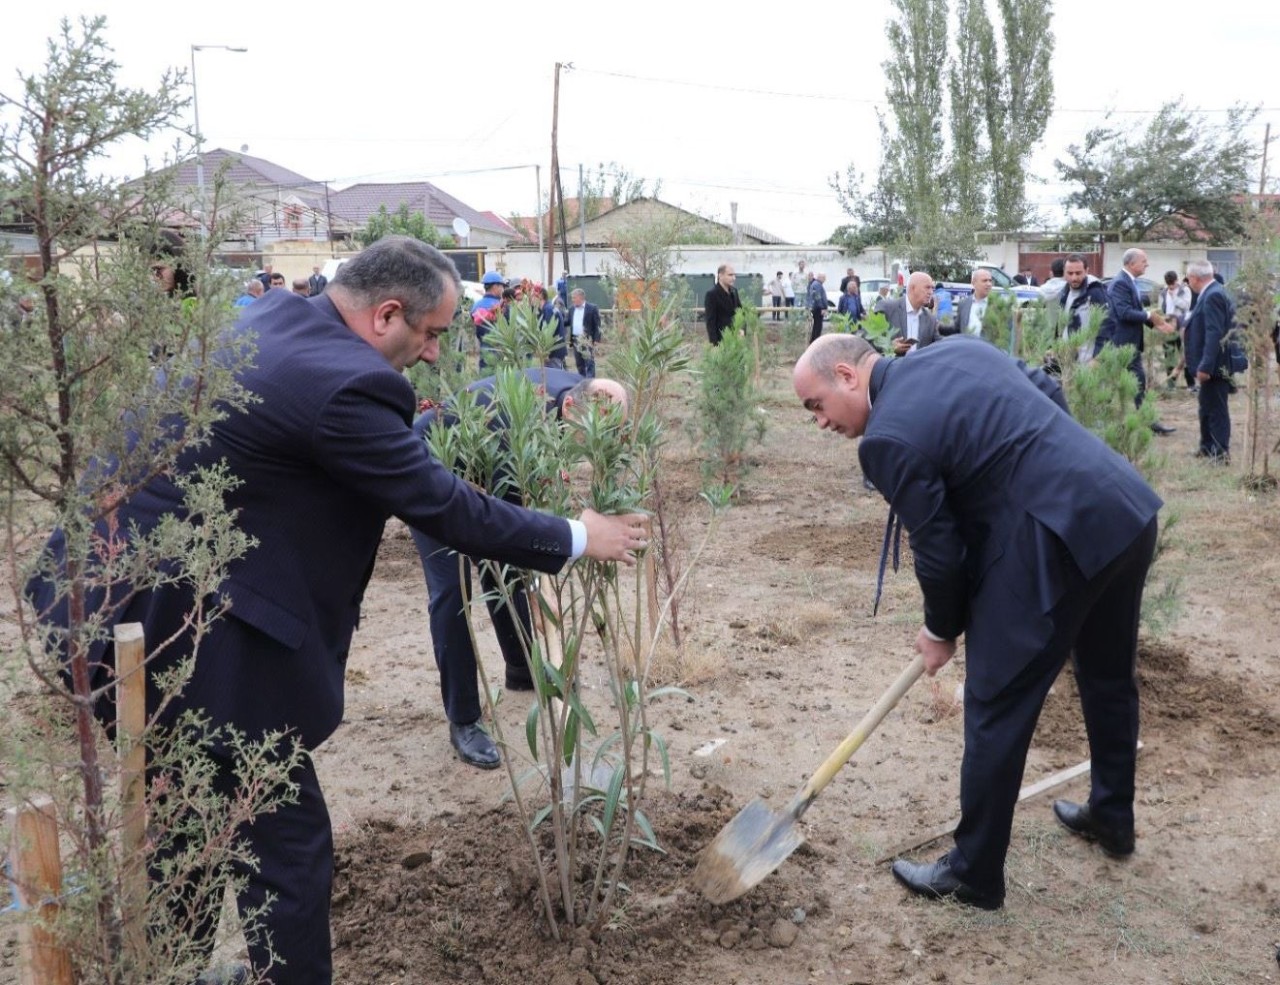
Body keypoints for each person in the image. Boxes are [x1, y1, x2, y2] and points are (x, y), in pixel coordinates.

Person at [24, 237, 648, 984]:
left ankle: (173, 967)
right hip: (200, 638)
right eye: (431, 334)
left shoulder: (266, 319)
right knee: (286, 849)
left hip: (111, 604)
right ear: (388, 314)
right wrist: (580, 536)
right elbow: (444, 506)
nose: (431, 353)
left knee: (186, 821)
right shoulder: (349, 385)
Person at [792, 333, 1161, 911]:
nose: (819, 422)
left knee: (994, 703)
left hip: (1056, 542)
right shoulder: (958, 350)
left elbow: (939, 552)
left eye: (816, 405)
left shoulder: (885, 438)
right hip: (1119, 508)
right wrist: (1036, 484)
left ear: (846, 375)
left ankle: (973, 872)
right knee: (1108, 675)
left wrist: (941, 629)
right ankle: (1112, 815)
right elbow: (1047, 394)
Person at [412, 369, 629, 768]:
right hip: (432, 465)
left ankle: (521, 668)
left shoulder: (581, 394)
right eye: (599, 434)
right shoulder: (520, 424)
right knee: (452, 591)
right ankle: (464, 720)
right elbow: (502, 522)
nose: (601, 445)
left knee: (504, 569)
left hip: (483, 465)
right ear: (569, 408)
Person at [1094, 248, 1176, 434]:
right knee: (1115, 383)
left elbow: (1133, 312)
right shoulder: (1120, 284)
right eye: (1143, 261)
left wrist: (1156, 324)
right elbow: (1124, 313)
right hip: (1121, 345)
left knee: (1136, 382)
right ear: (1131, 264)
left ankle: (1147, 421)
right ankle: (1099, 420)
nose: (1147, 264)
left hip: (1128, 345)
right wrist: (1150, 315)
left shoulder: (1128, 282)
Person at [1184, 259, 1237, 461]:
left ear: (1194, 278)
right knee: (1206, 406)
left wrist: (1205, 365)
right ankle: (1207, 447)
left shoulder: (1213, 294)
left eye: (1188, 279)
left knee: (1216, 409)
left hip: (1215, 365)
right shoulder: (1211, 292)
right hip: (1210, 363)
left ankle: (1220, 452)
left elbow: (1214, 332)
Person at [875, 271, 940, 355]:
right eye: (927, 287)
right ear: (913, 288)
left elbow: (940, 346)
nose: (931, 292)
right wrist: (889, 347)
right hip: (893, 366)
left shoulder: (931, 320)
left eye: (932, 288)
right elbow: (868, 338)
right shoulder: (887, 309)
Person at [1057, 253, 1109, 345]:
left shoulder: (1095, 291)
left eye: (1078, 273)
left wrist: (1097, 356)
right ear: (1064, 272)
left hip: (1088, 355)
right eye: (1070, 273)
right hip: (1067, 352)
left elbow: (1106, 325)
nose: (1074, 278)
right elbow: (1061, 323)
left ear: (1086, 271)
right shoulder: (1065, 291)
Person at [1159, 270, 1192, 390]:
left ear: (1176, 281)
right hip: (1168, 326)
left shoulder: (1185, 290)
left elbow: (1186, 306)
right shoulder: (1163, 292)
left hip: (1182, 325)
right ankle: (1171, 385)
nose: (1171, 287)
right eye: (1169, 284)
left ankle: (1191, 384)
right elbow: (1162, 308)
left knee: (1186, 355)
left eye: (1172, 284)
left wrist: (1174, 296)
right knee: (1169, 356)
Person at [471, 270, 507, 369]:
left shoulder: (476, 305)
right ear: (495, 286)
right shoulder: (501, 305)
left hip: (483, 349)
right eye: (501, 286)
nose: (503, 289)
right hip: (500, 350)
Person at [704, 263, 742, 345]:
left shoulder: (734, 291)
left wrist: (742, 329)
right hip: (721, 340)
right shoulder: (712, 294)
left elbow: (740, 312)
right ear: (720, 276)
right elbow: (710, 321)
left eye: (734, 275)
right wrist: (714, 344)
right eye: (730, 275)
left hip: (736, 339)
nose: (734, 278)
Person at [568, 287, 601, 376]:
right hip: (575, 340)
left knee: (589, 362)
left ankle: (590, 383)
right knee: (579, 363)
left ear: (580, 297)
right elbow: (567, 321)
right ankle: (582, 380)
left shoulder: (592, 308)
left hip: (587, 340)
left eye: (574, 298)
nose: (572, 300)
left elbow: (597, 325)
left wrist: (596, 340)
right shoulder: (571, 309)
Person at [954, 268, 994, 336]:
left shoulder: (997, 305)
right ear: (973, 283)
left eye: (990, 280)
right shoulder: (963, 304)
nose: (989, 284)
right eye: (984, 281)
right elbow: (957, 328)